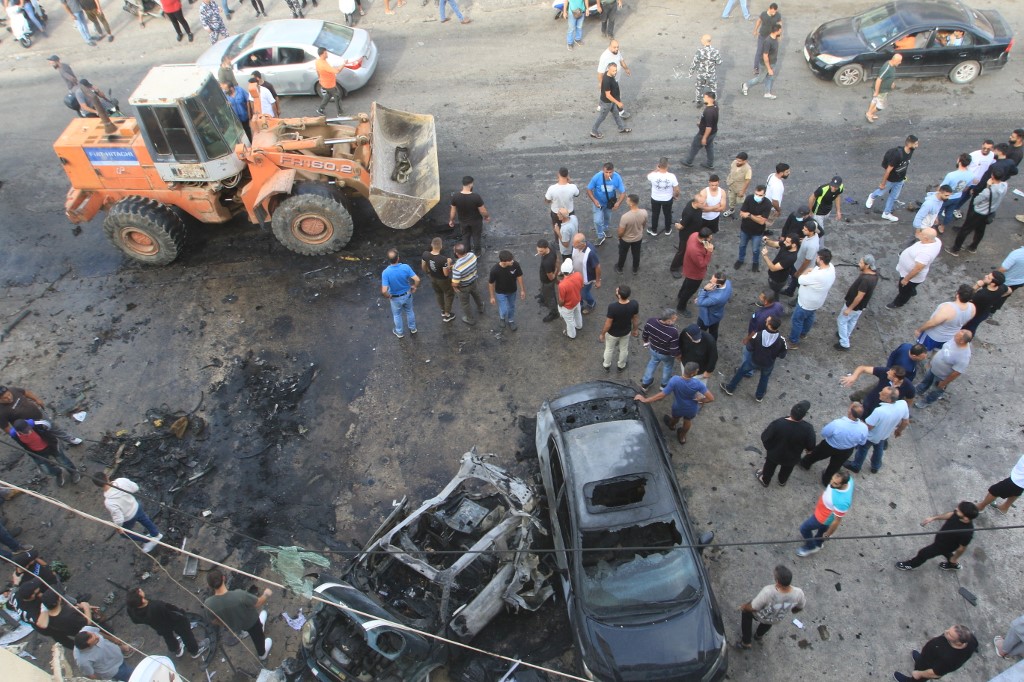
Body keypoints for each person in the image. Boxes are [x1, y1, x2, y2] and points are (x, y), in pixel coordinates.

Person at [635, 362, 713, 445]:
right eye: (697, 371)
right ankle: (682, 437)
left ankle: (672, 426)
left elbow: (661, 395)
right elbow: (711, 398)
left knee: (675, 417)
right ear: (692, 374)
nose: (698, 372)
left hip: (678, 406)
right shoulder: (698, 384)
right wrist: (700, 400)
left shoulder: (675, 380)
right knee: (687, 421)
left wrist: (645, 400)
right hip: (691, 408)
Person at [205, 569, 273, 661]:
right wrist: (266, 594)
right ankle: (262, 654)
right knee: (258, 637)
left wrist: (225, 624)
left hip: (234, 626)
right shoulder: (239, 595)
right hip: (252, 623)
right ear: (223, 578)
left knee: (247, 629)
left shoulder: (208, 604)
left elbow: (213, 620)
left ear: (209, 585)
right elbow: (258, 603)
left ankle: (247, 631)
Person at [736, 565, 806, 650]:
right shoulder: (798, 593)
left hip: (761, 614)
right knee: (768, 623)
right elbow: (800, 606)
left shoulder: (768, 591)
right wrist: (794, 610)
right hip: (776, 617)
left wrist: (744, 607)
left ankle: (746, 642)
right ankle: (758, 636)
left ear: (778, 582)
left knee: (746, 613)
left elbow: (754, 607)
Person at [895, 501, 978, 572]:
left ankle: (911, 565)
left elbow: (961, 549)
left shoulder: (966, 533)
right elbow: (951, 515)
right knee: (947, 554)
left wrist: (955, 558)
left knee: (923, 553)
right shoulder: (957, 514)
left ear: (966, 518)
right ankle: (953, 564)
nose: (956, 510)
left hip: (944, 545)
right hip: (941, 538)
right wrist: (933, 518)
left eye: (959, 510)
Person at [799, 402, 869, 485]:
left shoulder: (838, 423)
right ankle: (827, 480)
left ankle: (805, 463)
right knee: (835, 466)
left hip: (829, 446)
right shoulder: (864, 428)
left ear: (850, 411)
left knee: (815, 455)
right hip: (847, 450)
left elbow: (824, 433)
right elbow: (862, 442)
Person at [843, 387, 909, 474]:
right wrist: (899, 431)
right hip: (884, 435)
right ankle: (875, 466)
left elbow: (868, 427)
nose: (879, 392)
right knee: (879, 449)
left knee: (862, 449)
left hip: (871, 436)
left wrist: (856, 421)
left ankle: (856, 466)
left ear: (889, 399)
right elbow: (905, 422)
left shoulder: (879, 411)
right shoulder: (903, 404)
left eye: (883, 393)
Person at [128, 588, 209, 658]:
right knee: (186, 634)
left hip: (159, 626)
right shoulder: (157, 606)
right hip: (174, 621)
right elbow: (173, 613)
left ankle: (176, 649)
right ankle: (195, 650)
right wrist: (182, 615)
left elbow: (135, 621)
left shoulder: (131, 609)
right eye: (138, 592)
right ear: (141, 599)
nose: (140, 589)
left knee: (168, 637)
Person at [720, 316, 787, 402]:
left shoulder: (758, 335)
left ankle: (730, 388)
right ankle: (759, 396)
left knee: (741, 371)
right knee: (764, 378)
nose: (766, 320)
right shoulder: (781, 340)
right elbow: (782, 355)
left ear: (769, 325)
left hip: (754, 360)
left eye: (767, 321)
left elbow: (749, 348)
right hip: (768, 363)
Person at [92, 472, 164, 552]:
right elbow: (135, 488)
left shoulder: (109, 502)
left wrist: (118, 528)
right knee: (145, 520)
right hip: (136, 506)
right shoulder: (121, 481)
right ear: (107, 477)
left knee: (125, 534)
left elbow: (119, 518)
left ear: (98, 485)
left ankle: (148, 540)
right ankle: (156, 534)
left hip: (128, 518)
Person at [755, 401, 815, 487]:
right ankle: (782, 481)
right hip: (792, 457)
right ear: (803, 415)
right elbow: (811, 446)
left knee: (769, 467)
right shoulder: (808, 429)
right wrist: (808, 449)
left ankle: (765, 480)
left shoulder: (778, 423)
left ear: (791, 410)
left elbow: (765, 437)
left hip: (774, 454)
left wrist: (770, 448)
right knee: (787, 470)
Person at [948, 169, 1007, 255]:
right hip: (989, 212)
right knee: (980, 230)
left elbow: (976, 201)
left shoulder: (987, 191)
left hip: (979, 212)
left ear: (992, 176)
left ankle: (955, 249)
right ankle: (973, 247)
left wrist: (988, 186)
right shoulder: (1004, 186)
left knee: (965, 230)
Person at [796, 471, 853, 558]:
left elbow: (837, 521)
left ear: (844, 484)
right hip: (823, 513)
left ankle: (811, 547)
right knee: (822, 530)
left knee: (804, 528)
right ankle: (818, 543)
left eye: (835, 483)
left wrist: (828, 534)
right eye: (832, 479)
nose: (831, 483)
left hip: (822, 518)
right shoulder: (849, 480)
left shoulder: (842, 502)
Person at [9, 419, 81, 487]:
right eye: (26, 432)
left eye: (29, 429)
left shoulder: (36, 424)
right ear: (19, 432)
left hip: (51, 446)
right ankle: (58, 472)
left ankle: (73, 471)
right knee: (46, 470)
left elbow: (48, 425)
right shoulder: (14, 435)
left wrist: (54, 441)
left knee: (63, 461)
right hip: (37, 452)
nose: (29, 431)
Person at [788, 249, 836, 349]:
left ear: (821, 260)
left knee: (797, 320)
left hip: (805, 303)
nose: (816, 259)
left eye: (817, 257)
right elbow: (815, 271)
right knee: (810, 316)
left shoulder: (817, 276)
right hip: (817, 302)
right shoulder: (831, 268)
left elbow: (801, 280)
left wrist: (806, 271)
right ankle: (803, 333)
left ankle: (793, 342)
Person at [0, 386, 82, 444]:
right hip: (30, 427)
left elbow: (26, 392)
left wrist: (37, 399)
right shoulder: (1, 412)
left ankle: (69, 439)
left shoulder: (13, 390)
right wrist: (21, 436)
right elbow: (7, 429)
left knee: (53, 426)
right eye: (5, 398)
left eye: (9, 395)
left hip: (39, 414)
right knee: (44, 438)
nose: (9, 398)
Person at [893, 626, 977, 682]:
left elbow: (935, 673)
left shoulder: (949, 660)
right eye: (949, 629)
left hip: (930, 665)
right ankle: (920, 660)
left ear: (958, 643)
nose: (946, 631)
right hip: (927, 657)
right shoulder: (971, 640)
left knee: (919, 678)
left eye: (950, 634)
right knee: (921, 661)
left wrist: (919, 674)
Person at [866, 135, 919, 222]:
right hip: (891, 180)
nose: (917, 145)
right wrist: (883, 184)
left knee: (893, 197)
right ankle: (872, 196)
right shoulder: (897, 155)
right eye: (916, 144)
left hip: (900, 179)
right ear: (910, 144)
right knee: (881, 192)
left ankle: (886, 213)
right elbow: (888, 170)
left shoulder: (911, 151)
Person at [887, 226, 941, 309]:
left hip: (910, 277)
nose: (918, 234)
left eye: (921, 234)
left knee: (904, 290)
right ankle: (912, 291)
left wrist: (906, 279)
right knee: (910, 288)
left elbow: (918, 269)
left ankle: (899, 303)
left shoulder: (925, 253)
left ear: (926, 238)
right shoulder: (936, 241)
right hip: (908, 274)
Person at [915, 329, 972, 406]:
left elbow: (956, 372)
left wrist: (944, 383)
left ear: (962, 341)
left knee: (936, 390)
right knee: (927, 380)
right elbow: (942, 350)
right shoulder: (955, 340)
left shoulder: (964, 357)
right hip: (933, 368)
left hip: (941, 376)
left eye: (956, 336)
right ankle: (919, 390)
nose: (954, 336)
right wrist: (932, 361)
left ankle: (927, 401)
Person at [835, 255, 879, 351]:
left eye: (861, 263)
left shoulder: (865, 280)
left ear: (867, 265)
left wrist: (849, 308)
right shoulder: (875, 275)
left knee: (841, 321)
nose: (859, 264)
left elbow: (859, 296)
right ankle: (845, 335)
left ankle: (844, 343)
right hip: (861, 306)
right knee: (852, 321)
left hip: (853, 305)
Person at [840, 364, 916, 419]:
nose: (887, 372)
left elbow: (908, 401)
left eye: (890, 373)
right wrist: (854, 377)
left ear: (895, 379)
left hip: (882, 410)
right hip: (870, 401)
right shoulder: (885, 372)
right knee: (861, 415)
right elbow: (863, 368)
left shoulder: (908, 387)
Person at [914, 284, 976, 350]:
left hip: (933, 336)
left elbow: (932, 323)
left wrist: (919, 330)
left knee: (919, 350)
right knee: (938, 351)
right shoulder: (972, 308)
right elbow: (965, 322)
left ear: (957, 294)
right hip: (949, 338)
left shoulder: (947, 308)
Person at [380, 249, 419, 338]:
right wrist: (414, 287)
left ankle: (400, 332)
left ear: (388, 260)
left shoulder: (385, 272)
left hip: (395, 298)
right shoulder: (405, 267)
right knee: (409, 311)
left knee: (397, 315)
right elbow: (417, 279)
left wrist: (388, 296)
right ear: (398, 258)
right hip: (407, 294)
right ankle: (413, 328)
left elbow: (384, 290)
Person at [676, 228, 714, 317]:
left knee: (686, 284)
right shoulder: (696, 250)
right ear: (704, 238)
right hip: (695, 273)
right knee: (689, 291)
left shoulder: (694, 234)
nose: (711, 238)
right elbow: (702, 264)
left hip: (688, 267)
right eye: (709, 237)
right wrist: (709, 252)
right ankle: (681, 307)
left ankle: (680, 295)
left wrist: (707, 245)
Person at [599, 285, 638, 371]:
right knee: (624, 349)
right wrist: (635, 329)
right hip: (626, 331)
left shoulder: (613, 307)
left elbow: (608, 324)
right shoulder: (634, 304)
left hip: (612, 333)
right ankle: (621, 365)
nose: (616, 290)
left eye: (618, 290)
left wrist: (602, 334)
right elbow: (635, 319)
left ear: (619, 295)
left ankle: (606, 364)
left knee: (609, 349)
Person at [586, 162, 626, 245]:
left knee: (607, 217)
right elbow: (589, 189)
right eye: (606, 172)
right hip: (598, 203)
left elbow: (623, 192)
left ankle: (605, 229)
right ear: (603, 171)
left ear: (613, 171)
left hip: (609, 203)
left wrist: (618, 203)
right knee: (597, 220)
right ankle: (600, 236)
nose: (608, 174)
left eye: (610, 172)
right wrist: (594, 200)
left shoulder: (617, 178)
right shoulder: (597, 177)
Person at [640, 310, 680, 392]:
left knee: (652, 363)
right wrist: (677, 356)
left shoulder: (651, 322)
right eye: (674, 318)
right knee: (667, 367)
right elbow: (673, 349)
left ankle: (645, 383)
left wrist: (645, 341)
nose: (676, 319)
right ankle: (664, 385)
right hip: (666, 354)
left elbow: (645, 333)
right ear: (668, 321)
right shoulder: (673, 331)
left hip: (653, 349)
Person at [449, 176, 489, 257]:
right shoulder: (476, 197)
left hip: (463, 221)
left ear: (463, 184)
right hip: (476, 221)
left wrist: (451, 220)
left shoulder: (455, 197)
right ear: (470, 184)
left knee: (465, 237)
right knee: (476, 236)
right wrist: (486, 216)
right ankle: (477, 253)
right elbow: (482, 210)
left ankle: (466, 252)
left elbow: (453, 211)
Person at [735, 184, 772, 269]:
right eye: (756, 194)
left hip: (757, 232)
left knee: (755, 249)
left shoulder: (767, 204)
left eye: (760, 195)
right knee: (742, 246)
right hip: (745, 229)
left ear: (764, 195)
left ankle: (755, 262)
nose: (757, 196)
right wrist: (757, 217)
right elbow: (742, 213)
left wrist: (749, 215)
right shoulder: (749, 198)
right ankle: (740, 260)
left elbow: (762, 222)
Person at [488, 250, 526, 331]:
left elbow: (519, 276)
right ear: (504, 262)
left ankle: (511, 320)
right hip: (500, 292)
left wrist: (522, 290)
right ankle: (502, 318)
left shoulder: (515, 264)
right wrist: (492, 297)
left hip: (512, 291)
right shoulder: (494, 270)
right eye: (510, 260)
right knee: (504, 309)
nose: (512, 261)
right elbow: (491, 283)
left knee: (511, 306)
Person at [741, 24, 782, 99]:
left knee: (770, 77)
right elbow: (765, 56)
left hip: (773, 62)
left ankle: (767, 93)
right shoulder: (768, 42)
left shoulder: (775, 38)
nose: (781, 31)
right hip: (765, 64)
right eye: (780, 30)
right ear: (777, 31)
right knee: (760, 79)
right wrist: (769, 68)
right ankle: (746, 85)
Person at [681, 91, 719, 170]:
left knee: (695, 146)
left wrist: (704, 138)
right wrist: (701, 124)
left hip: (704, 133)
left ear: (709, 98)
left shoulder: (709, 112)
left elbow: (709, 127)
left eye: (705, 97)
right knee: (709, 147)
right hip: (713, 132)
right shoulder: (715, 106)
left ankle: (688, 161)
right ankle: (710, 163)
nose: (703, 99)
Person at [591, 63, 631, 139]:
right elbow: (608, 95)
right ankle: (593, 131)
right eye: (613, 71)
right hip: (606, 103)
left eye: (615, 70)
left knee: (616, 114)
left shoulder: (610, 75)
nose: (615, 72)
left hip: (611, 102)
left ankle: (621, 128)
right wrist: (618, 102)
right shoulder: (607, 80)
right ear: (608, 69)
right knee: (602, 117)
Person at [669, 194, 705, 278]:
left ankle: (684, 259)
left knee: (686, 249)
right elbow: (681, 226)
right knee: (681, 251)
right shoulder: (689, 213)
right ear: (696, 202)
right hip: (687, 235)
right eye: (702, 203)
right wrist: (677, 225)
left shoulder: (694, 204)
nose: (704, 204)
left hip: (694, 233)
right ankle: (673, 268)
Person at [420, 238, 454, 323]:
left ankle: (443, 310)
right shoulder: (443, 259)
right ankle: (447, 315)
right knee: (449, 294)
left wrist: (428, 272)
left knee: (439, 293)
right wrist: (449, 263)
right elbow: (446, 274)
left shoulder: (425, 254)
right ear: (441, 246)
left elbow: (423, 266)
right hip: (443, 280)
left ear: (432, 245)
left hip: (432, 277)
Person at [936, 154, 974, 230]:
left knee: (938, 211)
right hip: (957, 197)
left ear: (959, 161)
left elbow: (942, 187)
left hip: (946, 197)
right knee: (949, 213)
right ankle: (942, 227)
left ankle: (935, 223)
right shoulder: (971, 175)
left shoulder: (951, 175)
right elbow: (966, 188)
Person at [988, 244, 1024, 324]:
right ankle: (991, 312)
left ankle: (982, 309)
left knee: (991, 292)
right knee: (1004, 296)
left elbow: (1003, 269)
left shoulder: (1017, 253)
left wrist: (993, 277)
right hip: (1019, 281)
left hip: (1005, 280)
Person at [450, 243, 484, 326]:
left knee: (465, 304)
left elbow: (455, 283)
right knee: (476, 295)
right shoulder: (472, 255)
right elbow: (465, 264)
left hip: (463, 287)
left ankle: (470, 319)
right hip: (473, 281)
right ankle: (481, 307)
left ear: (456, 253)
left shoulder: (457, 267)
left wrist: (453, 286)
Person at [596, 39, 632, 119]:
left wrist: (626, 68)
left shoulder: (617, 52)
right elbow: (600, 72)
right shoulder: (604, 57)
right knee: (616, 95)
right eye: (614, 47)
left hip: (615, 79)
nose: (616, 49)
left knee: (605, 92)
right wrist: (600, 83)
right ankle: (621, 111)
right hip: (610, 80)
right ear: (609, 46)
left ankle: (600, 106)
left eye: (617, 47)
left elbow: (621, 60)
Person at [614, 194, 647, 273]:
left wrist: (619, 237)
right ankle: (635, 268)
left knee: (623, 253)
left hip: (626, 239)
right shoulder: (644, 212)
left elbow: (621, 231)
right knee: (636, 253)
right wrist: (640, 231)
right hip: (638, 237)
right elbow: (644, 224)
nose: (626, 201)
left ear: (631, 203)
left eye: (627, 200)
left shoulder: (625, 217)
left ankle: (620, 268)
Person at [646, 158, 679, 235]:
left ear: (658, 165)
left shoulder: (653, 175)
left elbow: (648, 176)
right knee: (667, 214)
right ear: (668, 165)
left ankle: (654, 230)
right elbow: (677, 189)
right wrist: (675, 196)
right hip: (667, 199)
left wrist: (656, 169)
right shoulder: (672, 176)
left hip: (655, 198)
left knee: (655, 214)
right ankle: (668, 229)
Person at [687, 35, 723, 105]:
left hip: (701, 74)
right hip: (711, 75)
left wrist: (691, 72)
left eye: (702, 39)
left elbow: (694, 63)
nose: (701, 40)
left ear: (704, 41)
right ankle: (713, 102)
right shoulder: (715, 51)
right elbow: (719, 62)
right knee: (713, 89)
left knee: (699, 88)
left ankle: (698, 101)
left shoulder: (700, 51)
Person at [571, 233, 602, 314]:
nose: (573, 245)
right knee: (578, 291)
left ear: (582, 244)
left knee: (584, 293)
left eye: (575, 244)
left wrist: (598, 281)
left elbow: (597, 266)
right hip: (576, 276)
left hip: (586, 279)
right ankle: (580, 303)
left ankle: (591, 303)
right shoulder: (575, 247)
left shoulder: (590, 252)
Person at [865, 53, 901, 123]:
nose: (900, 62)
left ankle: (870, 113)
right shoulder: (887, 68)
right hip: (881, 91)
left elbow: (889, 76)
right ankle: (869, 114)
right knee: (880, 106)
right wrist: (876, 92)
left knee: (874, 101)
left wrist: (892, 82)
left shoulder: (891, 65)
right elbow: (879, 79)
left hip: (881, 90)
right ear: (895, 60)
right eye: (899, 61)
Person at [696, 272, 732, 340]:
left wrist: (704, 290)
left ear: (718, 285)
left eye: (712, 281)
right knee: (714, 331)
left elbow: (700, 302)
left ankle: (700, 342)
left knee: (700, 331)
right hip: (717, 315)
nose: (710, 281)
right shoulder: (727, 282)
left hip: (707, 317)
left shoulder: (716, 298)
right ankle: (713, 342)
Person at [556, 259, 584, 339]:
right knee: (578, 313)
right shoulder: (578, 274)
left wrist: (560, 306)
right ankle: (579, 326)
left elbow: (561, 300)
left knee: (569, 322)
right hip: (577, 300)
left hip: (568, 306)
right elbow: (582, 286)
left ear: (562, 271)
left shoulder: (562, 285)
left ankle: (571, 335)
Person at [545, 168, 579, 234]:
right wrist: (569, 183)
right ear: (567, 175)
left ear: (558, 174)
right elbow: (577, 194)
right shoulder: (573, 187)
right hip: (569, 212)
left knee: (557, 229)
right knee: (572, 229)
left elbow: (547, 200)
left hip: (556, 213)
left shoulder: (552, 188)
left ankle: (558, 239)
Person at [751, 3, 781, 73]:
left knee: (770, 53)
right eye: (772, 11)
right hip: (762, 36)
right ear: (769, 9)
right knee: (759, 51)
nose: (774, 13)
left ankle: (767, 67)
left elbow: (779, 24)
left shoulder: (777, 15)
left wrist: (779, 35)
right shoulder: (764, 14)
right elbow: (758, 21)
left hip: (771, 37)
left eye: (775, 11)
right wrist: (755, 30)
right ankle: (756, 67)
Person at [314, 47, 344, 116]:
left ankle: (320, 109)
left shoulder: (318, 61)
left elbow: (317, 71)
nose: (327, 54)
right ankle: (340, 112)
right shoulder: (324, 65)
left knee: (328, 95)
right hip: (330, 85)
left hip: (324, 83)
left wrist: (320, 79)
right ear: (322, 54)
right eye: (325, 53)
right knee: (337, 97)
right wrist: (344, 64)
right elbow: (337, 71)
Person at [536, 239, 560, 323]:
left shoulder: (547, 262)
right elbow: (557, 259)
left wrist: (556, 271)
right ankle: (543, 296)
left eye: (541, 251)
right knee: (543, 289)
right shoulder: (550, 246)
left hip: (547, 282)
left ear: (546, 248)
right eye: (538, 250)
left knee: (550, 297)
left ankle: (554, 313)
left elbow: (551, 277)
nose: (539, 252)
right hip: (544, 278)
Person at [723, 152, 753, 219]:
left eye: (739, 161)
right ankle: (731, 210)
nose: (737, 162)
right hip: (731, 185)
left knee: (741, 200)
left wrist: (743, 191)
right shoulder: (734, 162)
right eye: (737, 160)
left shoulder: (748, 169)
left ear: (745, 161)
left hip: (740, 188)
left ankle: (746, 210)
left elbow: (747, 181)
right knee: (731, 199)